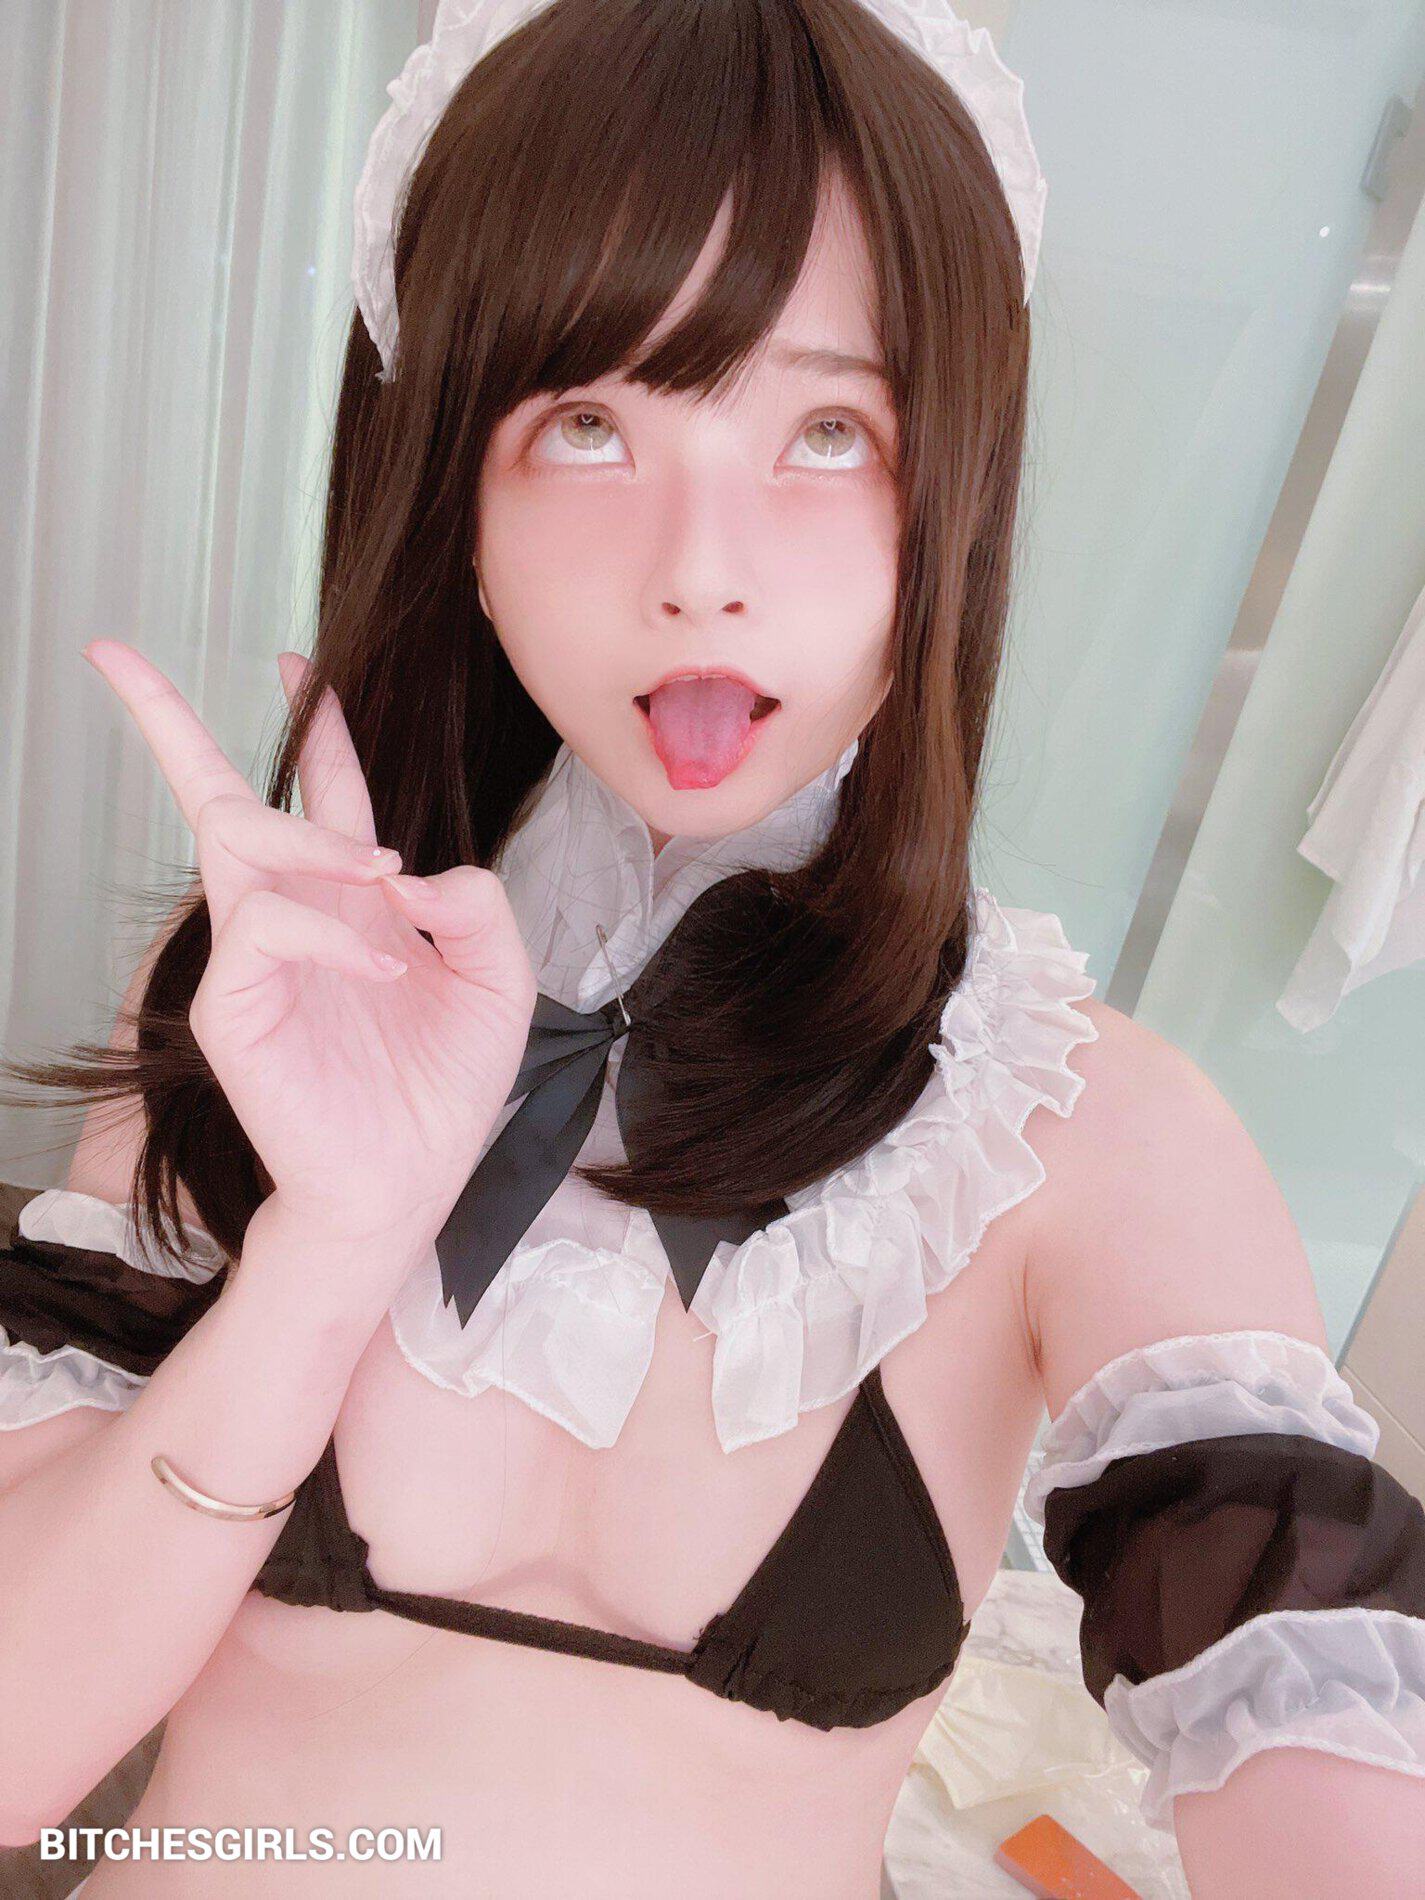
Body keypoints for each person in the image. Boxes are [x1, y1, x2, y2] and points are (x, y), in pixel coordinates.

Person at [2, 2, 1423, 1895]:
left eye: (827, 431)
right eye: (588, 425)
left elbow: (1334, 1768)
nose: (700, 569)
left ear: (948, 505)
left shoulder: (1079, 1136)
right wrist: (326, 1248)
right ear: (456, 497)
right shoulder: (272, 1000)